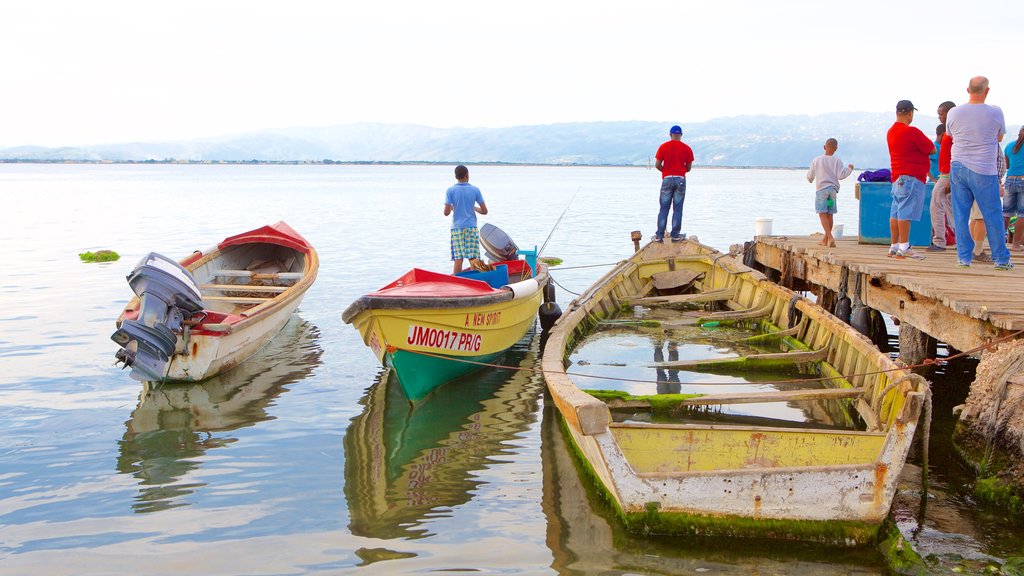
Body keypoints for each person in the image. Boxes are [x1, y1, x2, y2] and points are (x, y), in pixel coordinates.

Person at [946, 76, 1011, 269]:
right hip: (984, 168)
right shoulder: (995, 112)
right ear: (987, 91)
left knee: (960, 213)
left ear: (968, 90)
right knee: (992, 215)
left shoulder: (954, 112)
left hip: (957, 166)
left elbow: (950, 135)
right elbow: (999, 136)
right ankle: (1001, 259)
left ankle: (964, 258)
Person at [886, 100, 936, 260]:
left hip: (897, 177)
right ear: (910, 113)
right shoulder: (911, 131)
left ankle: (894, 246)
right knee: (905, 213)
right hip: (911, 177)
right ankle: (904, 247)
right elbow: (932, 148)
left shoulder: (891, 131)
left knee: (895, 212)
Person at [806, 138, 854, 247]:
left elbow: (810, 177)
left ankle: (830, 237)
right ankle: (825, 239)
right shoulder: (837, 161)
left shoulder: (817, 160)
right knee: (830, 214)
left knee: (822, 214)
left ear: (824, 147)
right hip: (832, 192)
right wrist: (850, 169)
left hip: (822, 191)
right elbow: (841, 175)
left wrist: (810, 179)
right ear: (836, 149)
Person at [653, 125, 695, 243]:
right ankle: (675, 235)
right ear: (681, 135)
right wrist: (679, 171)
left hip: (667, 179)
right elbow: (688, 168)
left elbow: (657, 164)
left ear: (670, 135)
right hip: (680, 179)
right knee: (678, 208)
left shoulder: (663, 147)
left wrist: (666, 172)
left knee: (664, 208)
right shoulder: (687, 148)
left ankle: (659, 235)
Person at [443, 165, 488, 274]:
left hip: (457, 229)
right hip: (471, 227)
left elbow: (446, 213)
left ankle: (458, 283)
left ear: (455, 176)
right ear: (467, 175)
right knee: (473, 258)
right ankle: (474, 282)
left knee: (458, 259)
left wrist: (453, 207)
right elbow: (485, 211)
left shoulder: (450, 190)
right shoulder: (475, 190)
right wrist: (474, 208)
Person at [927, 101, 957, 251]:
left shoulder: (954, 131)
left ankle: (939, 241)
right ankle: (963, 239)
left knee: (936, 205)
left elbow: (956, 155)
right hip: (945, 175)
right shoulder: (949, 130)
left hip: (948, 175)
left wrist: (951, 178)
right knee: (951, 209)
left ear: (950, 112)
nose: (939, 117)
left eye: (941, 113)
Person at [1003, 126, 1024, 250]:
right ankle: (1016, 244)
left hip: (1010, 179)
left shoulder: (1009, 146)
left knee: (1006, 212)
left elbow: (1007, 165)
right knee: (1022, 214)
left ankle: (1000, 242)